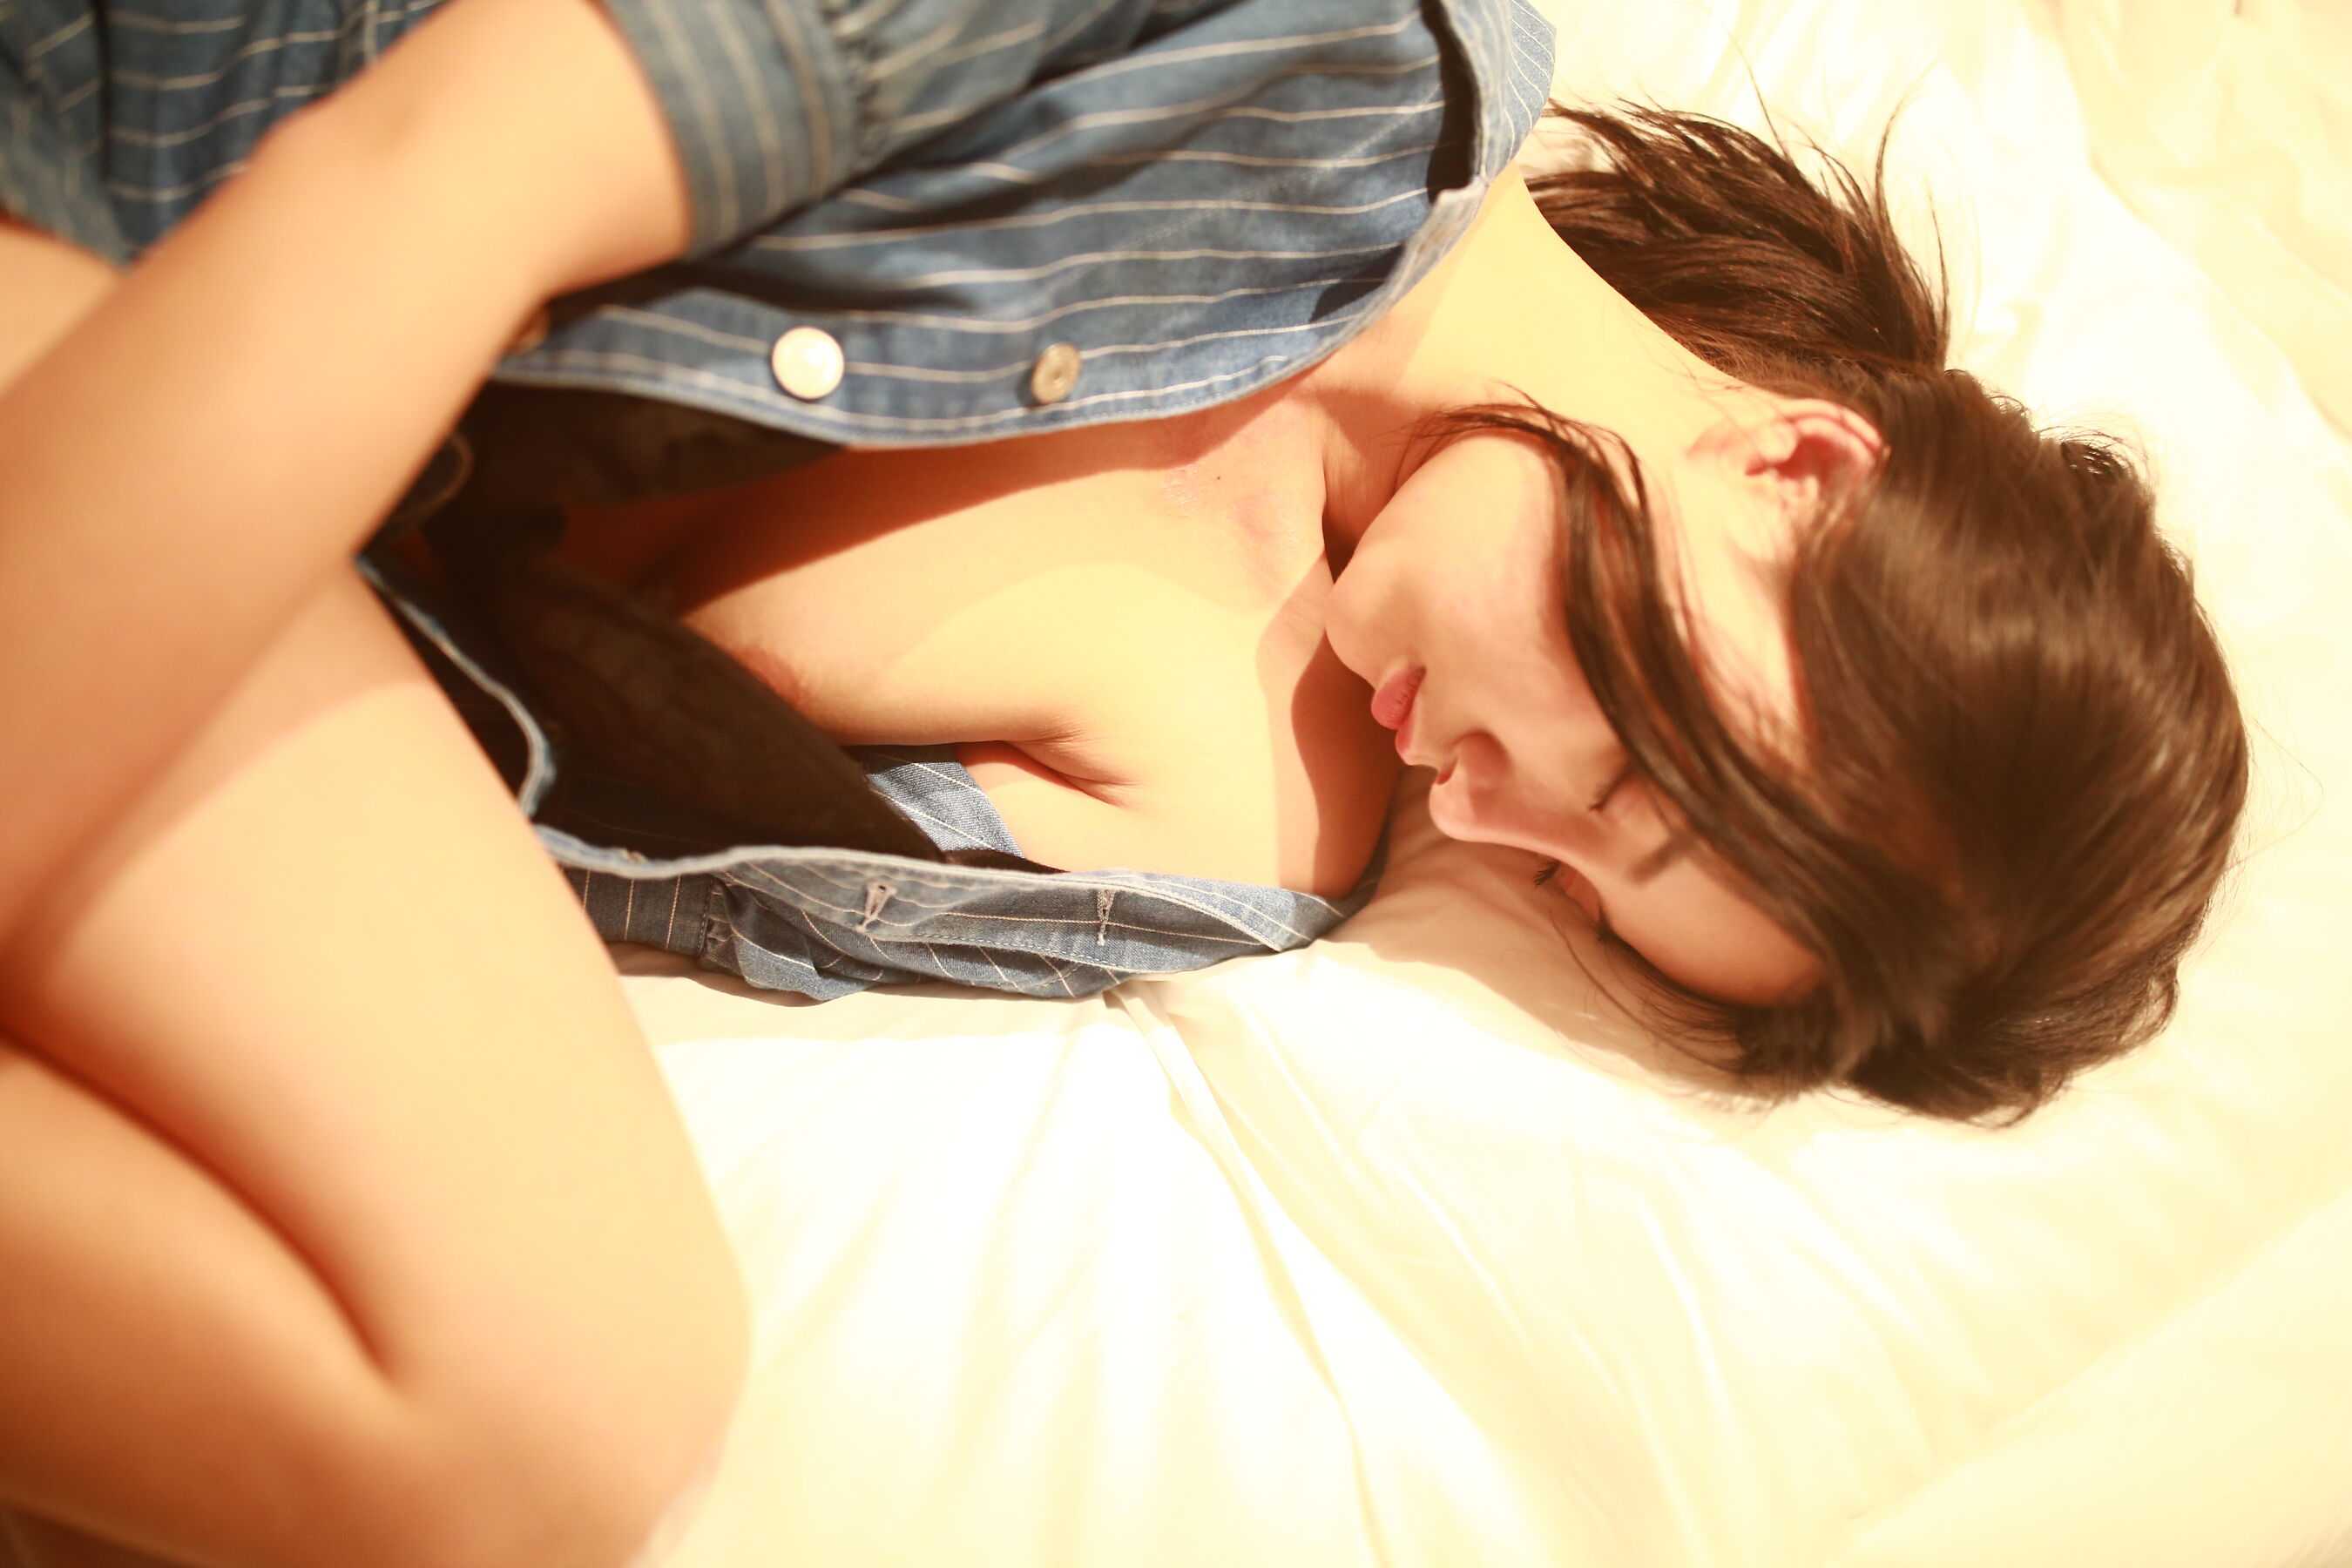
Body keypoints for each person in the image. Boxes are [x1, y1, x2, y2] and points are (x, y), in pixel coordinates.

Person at [0, 2, 2247, 1565]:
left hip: (199, 532)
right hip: (129, 167)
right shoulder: (1312, 58)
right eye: (1635, 773)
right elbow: (450, 163)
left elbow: (554, 860)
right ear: (1799, 470)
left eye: (1580, 894)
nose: (1491, 821)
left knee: (548, 1413)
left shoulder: (1244, 840)